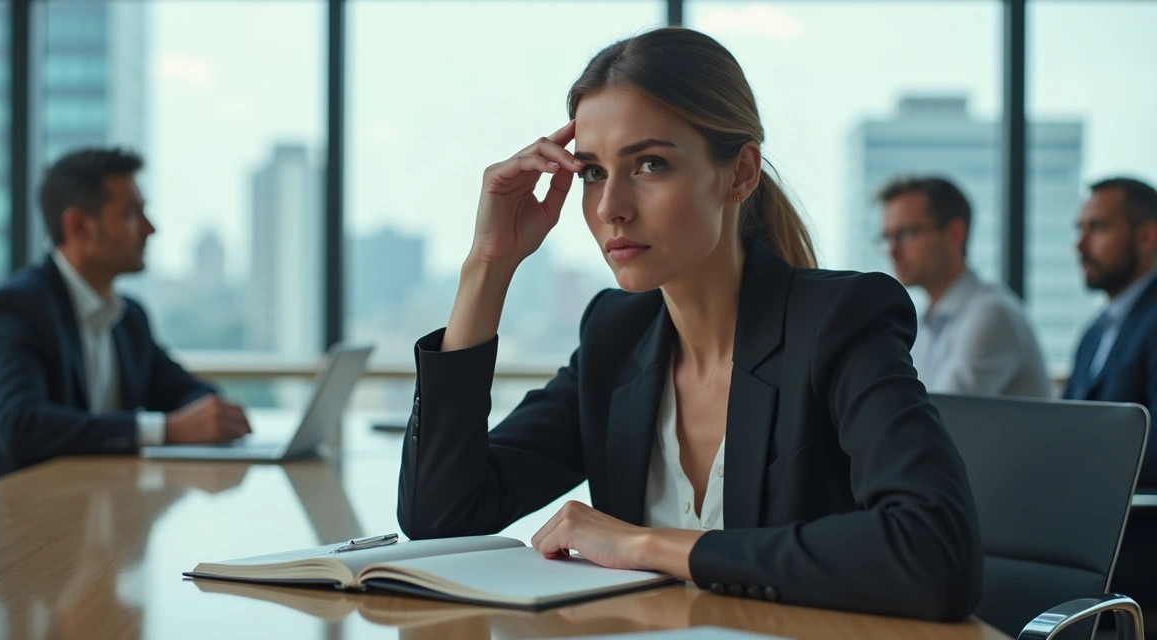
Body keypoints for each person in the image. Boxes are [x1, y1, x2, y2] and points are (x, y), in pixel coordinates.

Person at [396, 28, 981, 622]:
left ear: (740, 174)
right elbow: (441, 518)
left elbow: (934, 553)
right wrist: (489, 264)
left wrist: (644, 545)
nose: (610, 207)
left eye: (650, 164)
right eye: (593, 172)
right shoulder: (616, 338)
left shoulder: (837, 322)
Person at [0, 148, 251, 496]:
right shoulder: (15, 309)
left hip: (87, 505)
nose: (150, 229)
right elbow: (21, 426)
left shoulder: (128, 317)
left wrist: (212, 414)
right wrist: (167, 430)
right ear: (79, 227)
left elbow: (182, 390)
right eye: (132, 214)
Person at [1063, 177, 1157, 609]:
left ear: (1147, 236)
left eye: (1097, 228)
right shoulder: (1095, 333)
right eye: (1079, 229)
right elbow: (1063, 429)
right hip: (1093, 526)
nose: (1080, 245)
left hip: (1137, 535)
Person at [877, 176, 1051, 397]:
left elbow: (940, 413)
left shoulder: (991, 315)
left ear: (954, 234)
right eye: (887, 238)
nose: (892, 251)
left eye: (906, 234)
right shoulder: (928, 321)